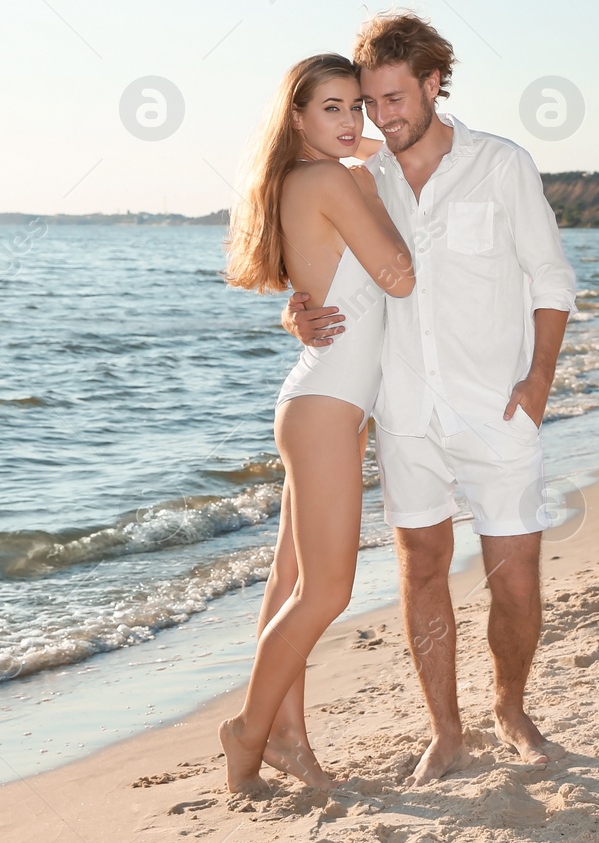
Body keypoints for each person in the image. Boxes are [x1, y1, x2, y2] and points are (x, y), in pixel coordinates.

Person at [285, 12, 576, 784]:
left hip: (499, 408)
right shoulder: (362, 176)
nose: (380, 117)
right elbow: (328, 272)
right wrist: (298, 309)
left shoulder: (502, 165)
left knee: (515, 575)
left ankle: (509, 707)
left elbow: (551, 280)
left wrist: (539, 377)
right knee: (421, 571)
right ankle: (446, 731)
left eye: (392, 99)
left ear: (432, 84)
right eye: (369, 103)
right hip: (405, 412)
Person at [220, 53, 415, 796]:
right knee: (326, 590)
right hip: (328, 402)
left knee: (291, 578)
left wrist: (366, 164)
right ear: (297, 116)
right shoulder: (334, 179)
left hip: (319, 399)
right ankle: (248, 730)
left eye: (355, 108)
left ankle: (288, 736)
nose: (351, 122)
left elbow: (340, 279)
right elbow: (398, 274)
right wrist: (378, 182)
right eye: (331, 107)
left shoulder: (299, 179)